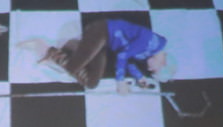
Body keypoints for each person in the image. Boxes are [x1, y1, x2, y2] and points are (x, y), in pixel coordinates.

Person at [43, 19, 171, 93]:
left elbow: (130, 60)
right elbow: (123, 55)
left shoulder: (148, 53)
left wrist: (139, 76)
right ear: (163, 62)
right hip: (101, 32)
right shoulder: (149, 41)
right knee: (72, 68)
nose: (149, 69)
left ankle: (75, 46)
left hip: (104, 46)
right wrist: (120, 82)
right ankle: (51, 51)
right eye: (154, 70)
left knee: (91, 83)